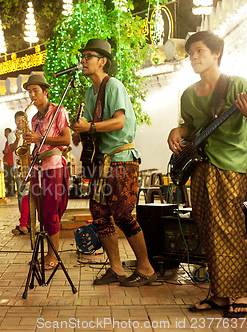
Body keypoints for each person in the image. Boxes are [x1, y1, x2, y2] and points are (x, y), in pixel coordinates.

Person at [167, 31, 247, 317]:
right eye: (190, 54)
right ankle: (219, 295)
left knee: (230, 230)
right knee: (208, 232)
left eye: (200, 51)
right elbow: (190, 126)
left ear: (216, 54)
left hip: (230, 165)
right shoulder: (189, 94)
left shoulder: (238, 85)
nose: (194, 58)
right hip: (199, 168)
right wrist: (178, 131)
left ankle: (241, 294)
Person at [70, 39, 156, 286]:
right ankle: (116, 268)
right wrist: (79, 131)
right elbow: (88, 125)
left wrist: (91, 126)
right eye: (82, 56)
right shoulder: (89, 92)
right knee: (99, 214)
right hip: (101, 161)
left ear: (102, 61)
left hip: (121, 159)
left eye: (88, 56)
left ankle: (146, 268)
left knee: (123, 215)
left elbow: (119, 122)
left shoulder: (114, 85)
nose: (83, 61)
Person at [22, 73, 71, 269]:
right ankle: (49, 253)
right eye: (29, 92)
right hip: (38, 167)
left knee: (51, 213)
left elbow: (66, 140)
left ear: (46, 92)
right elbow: (36, 142)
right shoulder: (33, 118)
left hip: (54, 166)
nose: (32, 95)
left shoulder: (59, 112)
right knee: (42, 214)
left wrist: (39, 137)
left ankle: (55, 255)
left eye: (36, 91)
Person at [2, 128, 15, 197]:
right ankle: (10, 192)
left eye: (6, 132)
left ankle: (11, 192)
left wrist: (4, 151)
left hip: (10, 162)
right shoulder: (7, 141)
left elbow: (7, 151)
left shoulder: (10, 141)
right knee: (8, 178)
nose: (5, 134)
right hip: (8, 161)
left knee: (9, 178)